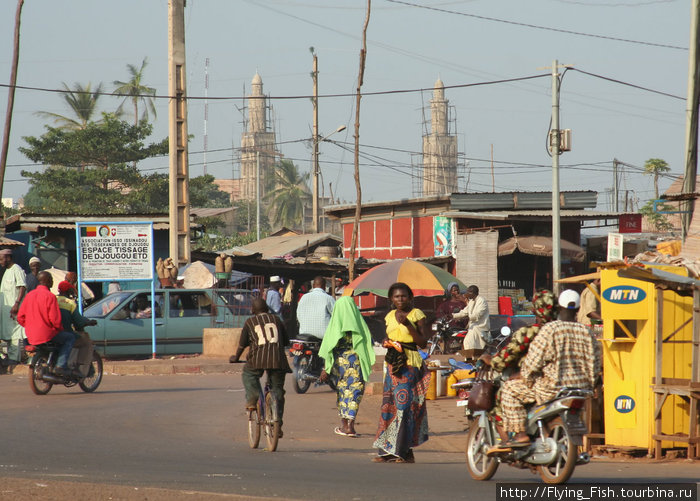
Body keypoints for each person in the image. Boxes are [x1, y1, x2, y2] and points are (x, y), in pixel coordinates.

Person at [488, 289, 602, 454]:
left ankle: (520, 436)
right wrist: (590, 385)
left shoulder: (550, 329)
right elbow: (595, 364)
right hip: (580, 390)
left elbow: (533, 361)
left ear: (559, 307)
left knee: (509, 390)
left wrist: (524, 377)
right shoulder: (587, 332)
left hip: (551, 388)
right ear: (578, 309)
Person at [478, 289, 557, 441]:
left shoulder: (531, 332)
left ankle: (511, 439)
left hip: (536, 382)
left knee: (502, 396)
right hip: (561, 383)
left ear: (535, 310)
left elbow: (505, 358)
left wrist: (490, 360)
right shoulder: (561, 331)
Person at [372, 282, 430, 463]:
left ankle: (405, 451)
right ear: (391, 299)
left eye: (403, 296)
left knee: (405, 406)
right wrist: (385, 341)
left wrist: (409, 326)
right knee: (389, 406)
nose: (400, 299)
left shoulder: (417, 314)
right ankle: (387, 451)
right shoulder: (389, 316)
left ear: (410, 297)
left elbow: (422, 343)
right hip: (392, 363)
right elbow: (390, 336)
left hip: (410, 363)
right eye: (396, 296)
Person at [229, 298, 291, 436]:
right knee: (278, 391)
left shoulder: (250, 322)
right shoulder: (277, 320)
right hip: (278, 360)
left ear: (253, 310)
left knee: (249, 374)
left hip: (257, 359)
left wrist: (235, 358)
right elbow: (286, 341)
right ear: (267, 309)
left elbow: (242, 345)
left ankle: (252, 399)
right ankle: (278, 423)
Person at [318, 296, 375, 437]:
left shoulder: (335, 325)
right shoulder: (359, 324)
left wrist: (326, 368)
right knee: (355, 392)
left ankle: (344, 426)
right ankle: (350, 426)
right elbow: (368, 342)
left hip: (339, 365)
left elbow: (328, 348)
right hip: (356, 363)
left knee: (342, 392)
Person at [17, 271, 75, 376]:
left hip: (30, 335)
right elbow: (55, 320)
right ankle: (60, 366)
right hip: (47, 334)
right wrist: (59, 329)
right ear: (47, 281)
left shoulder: (29, 295)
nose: (52, 281)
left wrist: (30, 325)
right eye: (51, 279)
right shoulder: (50, 296)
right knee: (69, 338)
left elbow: (20, 317)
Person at [56, 280, 97, 377]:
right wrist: (89, 322)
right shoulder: (70, 303)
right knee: (87, 343)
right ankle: (79, 367)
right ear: (69, 291)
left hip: (52, 333)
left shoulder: (53, 299)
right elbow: (79, 322)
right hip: (65, 333)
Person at [0, 248, 27, 367]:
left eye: (1, 259)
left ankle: (14, 358)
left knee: (15, 333)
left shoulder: (17, 269)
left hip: (14, 308)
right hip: (6, 310)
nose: (0, 262)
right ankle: (9, 356)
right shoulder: (7, 271)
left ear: (8, 258)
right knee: (8, 333)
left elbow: (22, 286)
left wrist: (17, 303)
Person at [452, 284, 490, 350]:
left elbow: (476, 316)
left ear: (473, 293)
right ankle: (470, 358)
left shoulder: (482, 301)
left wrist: (468, 315)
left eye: (468, 292)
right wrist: (453, 315)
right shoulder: (471, 301)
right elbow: (464, 312)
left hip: (480, 327)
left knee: (469, 342)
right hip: (473, 327)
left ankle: (471, 358)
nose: (467, 294)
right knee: (468, 343)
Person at [296, 276, 335, 340]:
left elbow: (298, 315)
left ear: (313, 285)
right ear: (324, 286)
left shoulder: (303, 298)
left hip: (304, 335)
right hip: (324, 336)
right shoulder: (328, 298)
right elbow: (335, 317)